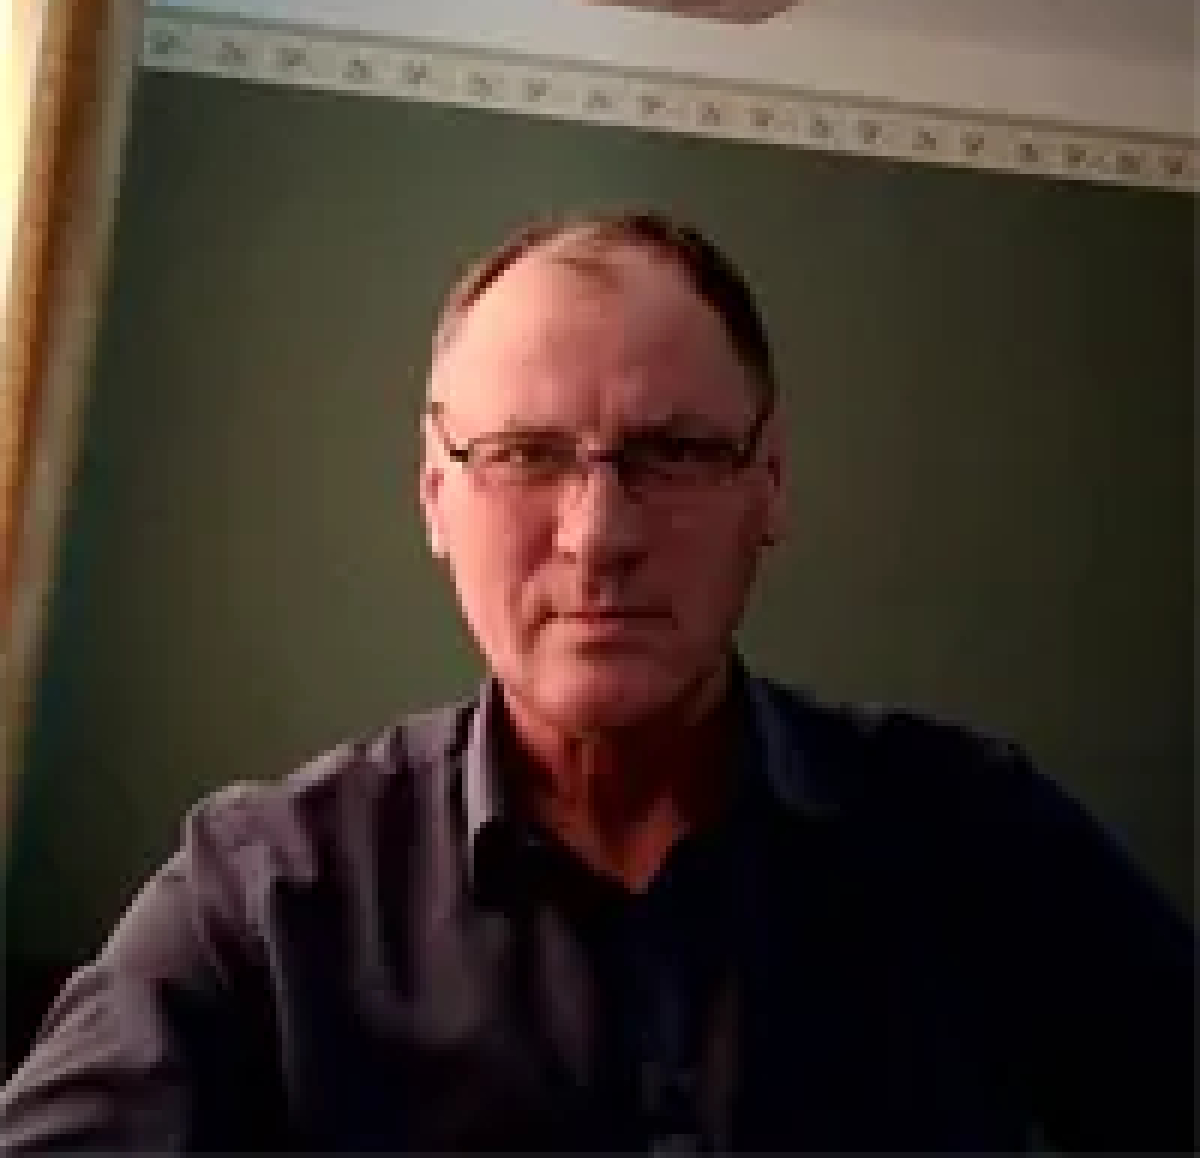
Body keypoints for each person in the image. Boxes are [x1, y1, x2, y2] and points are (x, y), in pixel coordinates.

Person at [1, 209, 1192, 1153]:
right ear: (435, 494)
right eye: (525, 456)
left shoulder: (976, 837)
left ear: (769, 484)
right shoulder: (263, 896)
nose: (598, 535)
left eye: (675, 454)